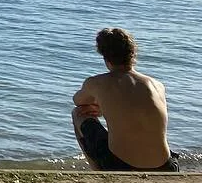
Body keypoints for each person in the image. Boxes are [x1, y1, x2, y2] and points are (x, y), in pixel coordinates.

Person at [72, 27, 177, 172]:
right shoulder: (157, 85)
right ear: (132, 54)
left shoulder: (97, 82)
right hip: (166, 166)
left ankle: (98, 173)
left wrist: (100, 107)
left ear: (105, 57)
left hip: (121, 165)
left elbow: (78, 101)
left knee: (78, 113)